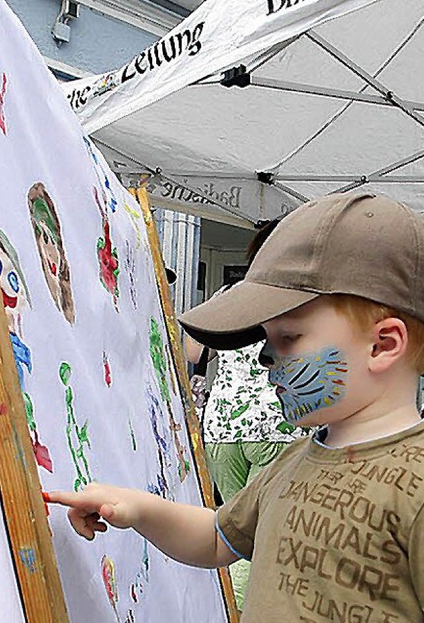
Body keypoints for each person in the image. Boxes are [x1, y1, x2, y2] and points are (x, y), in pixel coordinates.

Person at [48, 192, 424, 622]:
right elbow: (217, 537)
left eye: (287, 338)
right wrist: (135, 507)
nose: (265, 358)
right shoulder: (297, 458)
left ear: (383, 344)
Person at [184, 220, 306, 610]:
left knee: (231, 526)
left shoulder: (228, 293)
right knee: (261, 530)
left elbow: (193, 352)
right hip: (278, 422)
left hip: (222, 426)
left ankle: (225, 605)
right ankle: (234, 610)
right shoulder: (298, 294)